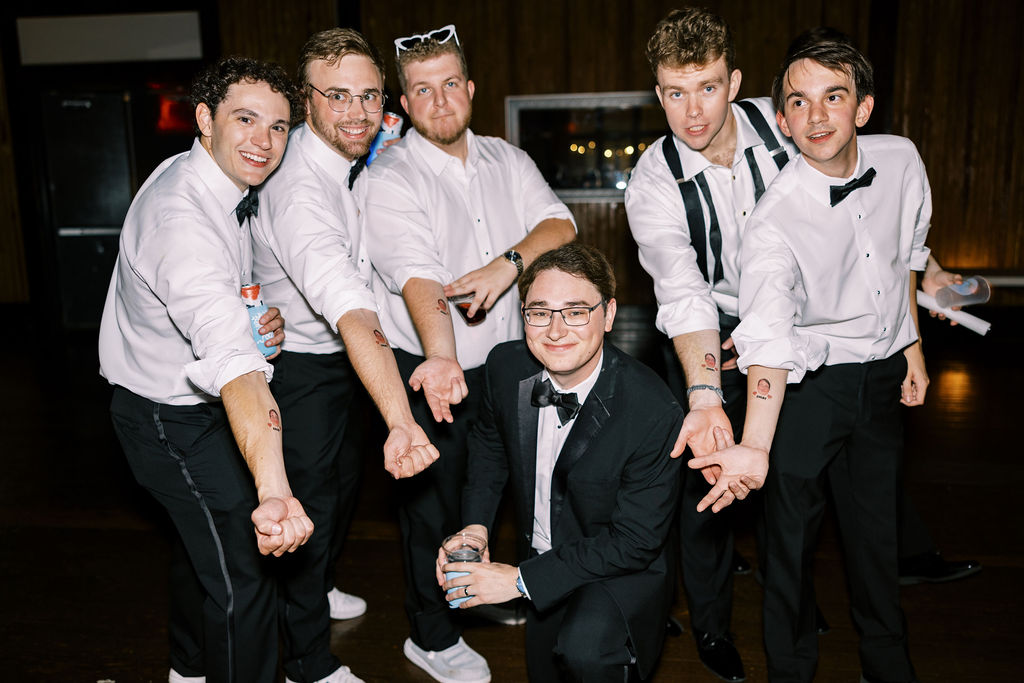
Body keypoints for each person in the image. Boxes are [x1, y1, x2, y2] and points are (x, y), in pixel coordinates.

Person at [690, 29, 931, 683]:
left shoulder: (902, 160)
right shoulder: (773, 222)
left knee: (875, 540)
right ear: (781, 118)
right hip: (807, 389)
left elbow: (906, 255)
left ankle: (890, 666)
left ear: (864, 107)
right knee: (789, 549)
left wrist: (910, 344)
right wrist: (756, 445)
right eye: (798, 102)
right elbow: (767, 337)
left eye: (833, 96)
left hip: (879, 378)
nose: (816, 115)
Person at [362, 23, 576, 683]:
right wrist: (442, 354)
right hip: (426, 363)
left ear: (470, 88)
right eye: (422, 90)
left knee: (493, 489)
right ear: (405, 100)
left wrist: (506, 265)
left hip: (506, 360)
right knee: (433, 504)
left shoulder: (504, 159)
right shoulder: (393, 176)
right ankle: (430, 633)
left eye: (449, 83)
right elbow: (418, 277)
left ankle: (474, 590)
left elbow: (559, 223)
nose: (439, 99)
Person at [98, 58, 314, 683]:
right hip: (167, 419)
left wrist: (255, 315)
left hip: (184, 405)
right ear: (204, 120)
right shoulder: (181, 218)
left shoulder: (206, 180)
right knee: (246, 574)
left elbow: (212, 305)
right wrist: (276, 493)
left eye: (278, 127)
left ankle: (189, 670)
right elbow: (233, 364)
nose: (263, 142)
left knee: (205, 550)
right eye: (245, 120)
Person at [250, 28, 440, 683]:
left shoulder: (359, 149)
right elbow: (355, 315)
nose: (358, 112)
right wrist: (401, 420)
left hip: (345, 358)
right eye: (338, 97)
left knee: (341, 489)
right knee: (308, 502)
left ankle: (320, 587)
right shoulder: (300, 190)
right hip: (301, 363)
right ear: (308, 102)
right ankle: (305, 658)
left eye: (369, 95)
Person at [624, 9, 797, 680]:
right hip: (709, 336)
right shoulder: (652, 179)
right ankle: (711, 625)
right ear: (657, 92)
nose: (692, 111)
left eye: (706, 87)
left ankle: (792, 600)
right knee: (706, 482)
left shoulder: (786, 129)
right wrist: (703, 387)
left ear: (736, 83)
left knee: (796, 479)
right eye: (674, 92)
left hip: (799, 328)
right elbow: (681, 284)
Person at [440, 242, 683, 681]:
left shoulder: (653, 410)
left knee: (585, 651)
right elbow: (489, 449)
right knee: (544, 670)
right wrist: (475, 525)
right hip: (540, 552)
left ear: (608, 315)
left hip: (618, 563)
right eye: (539, 312)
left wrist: (516, 581)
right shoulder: (504, 366)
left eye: (576, 311)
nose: (555, 330)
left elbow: (635, 541)